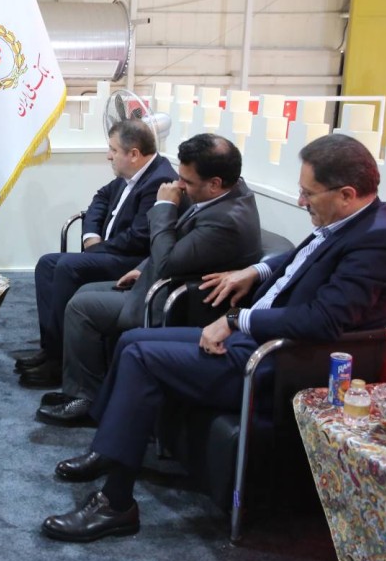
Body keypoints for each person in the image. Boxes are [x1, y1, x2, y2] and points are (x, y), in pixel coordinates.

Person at [41, 133, 386, 543]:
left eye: (308, 193)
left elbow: (323, 320)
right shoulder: (348, 221)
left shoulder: (378, 240)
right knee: (134, 341)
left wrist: (237, 320)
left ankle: (116, 504)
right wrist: (256, 271)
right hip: (254, 342)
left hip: (274, 363)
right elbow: (300, 261)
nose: (301, 201)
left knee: (141, 357)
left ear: (347, 194)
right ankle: (108, 451)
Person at [38, 134, 263, 424]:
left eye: (187, 181)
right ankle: (89, 388)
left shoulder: (226, 219)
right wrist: (143, 267)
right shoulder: (222, 194)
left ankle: (85, 400)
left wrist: (163, 207)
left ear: (215, 183)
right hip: (157, 281)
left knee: (82, 307)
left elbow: (167, 260)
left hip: (176, 302)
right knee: (84, 292)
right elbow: (178, 244)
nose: (179, 185)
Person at [18, 120, 180, 389]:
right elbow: (100, 198)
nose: (108, 156)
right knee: (47, 264)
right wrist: (90, 235)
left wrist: (96, 249)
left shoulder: (158, 180)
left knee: (68, 266)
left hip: (134, 262)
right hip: (111, 251)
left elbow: (138, 238)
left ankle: (60, 361)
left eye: (113, 150)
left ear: (134, 154)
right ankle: (53, 349)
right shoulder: (132, 174)